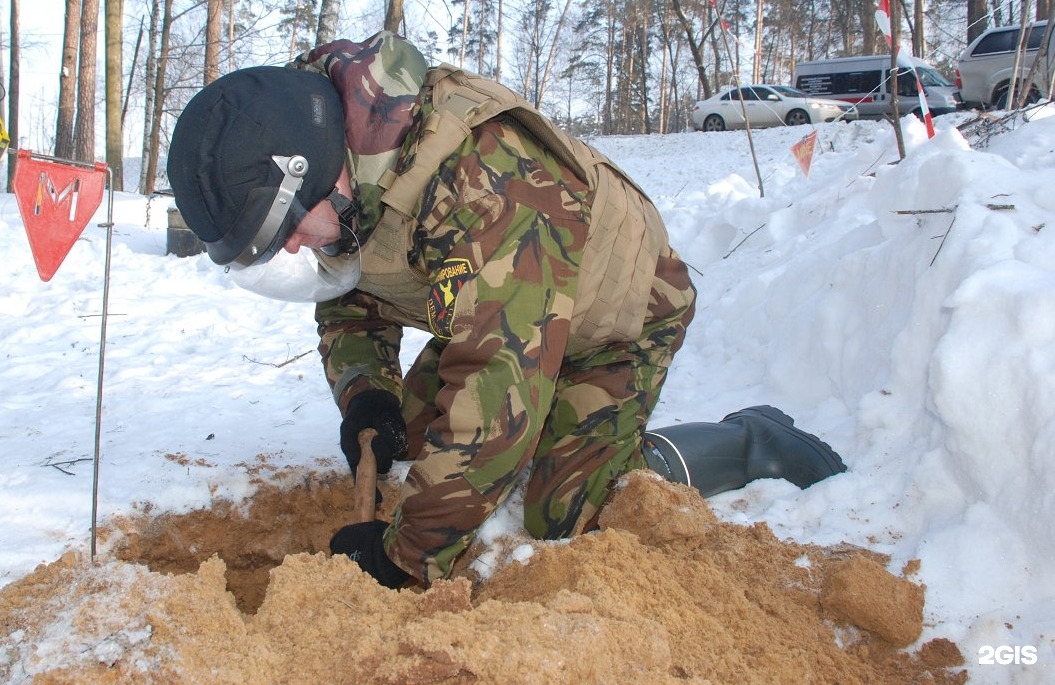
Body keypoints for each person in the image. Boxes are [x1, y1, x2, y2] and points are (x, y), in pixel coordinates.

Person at [166, 32, 846, 589]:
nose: (291, 243)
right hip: (507, 308)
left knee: (566, 509)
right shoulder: (348, 169)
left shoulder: (480, 178)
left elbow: (496, 387)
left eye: (286, 225)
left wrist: (404, 556)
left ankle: (753, 437)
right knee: (401, 433)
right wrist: (366, 394)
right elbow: (350, 293)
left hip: (612, 317)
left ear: (315, 170)